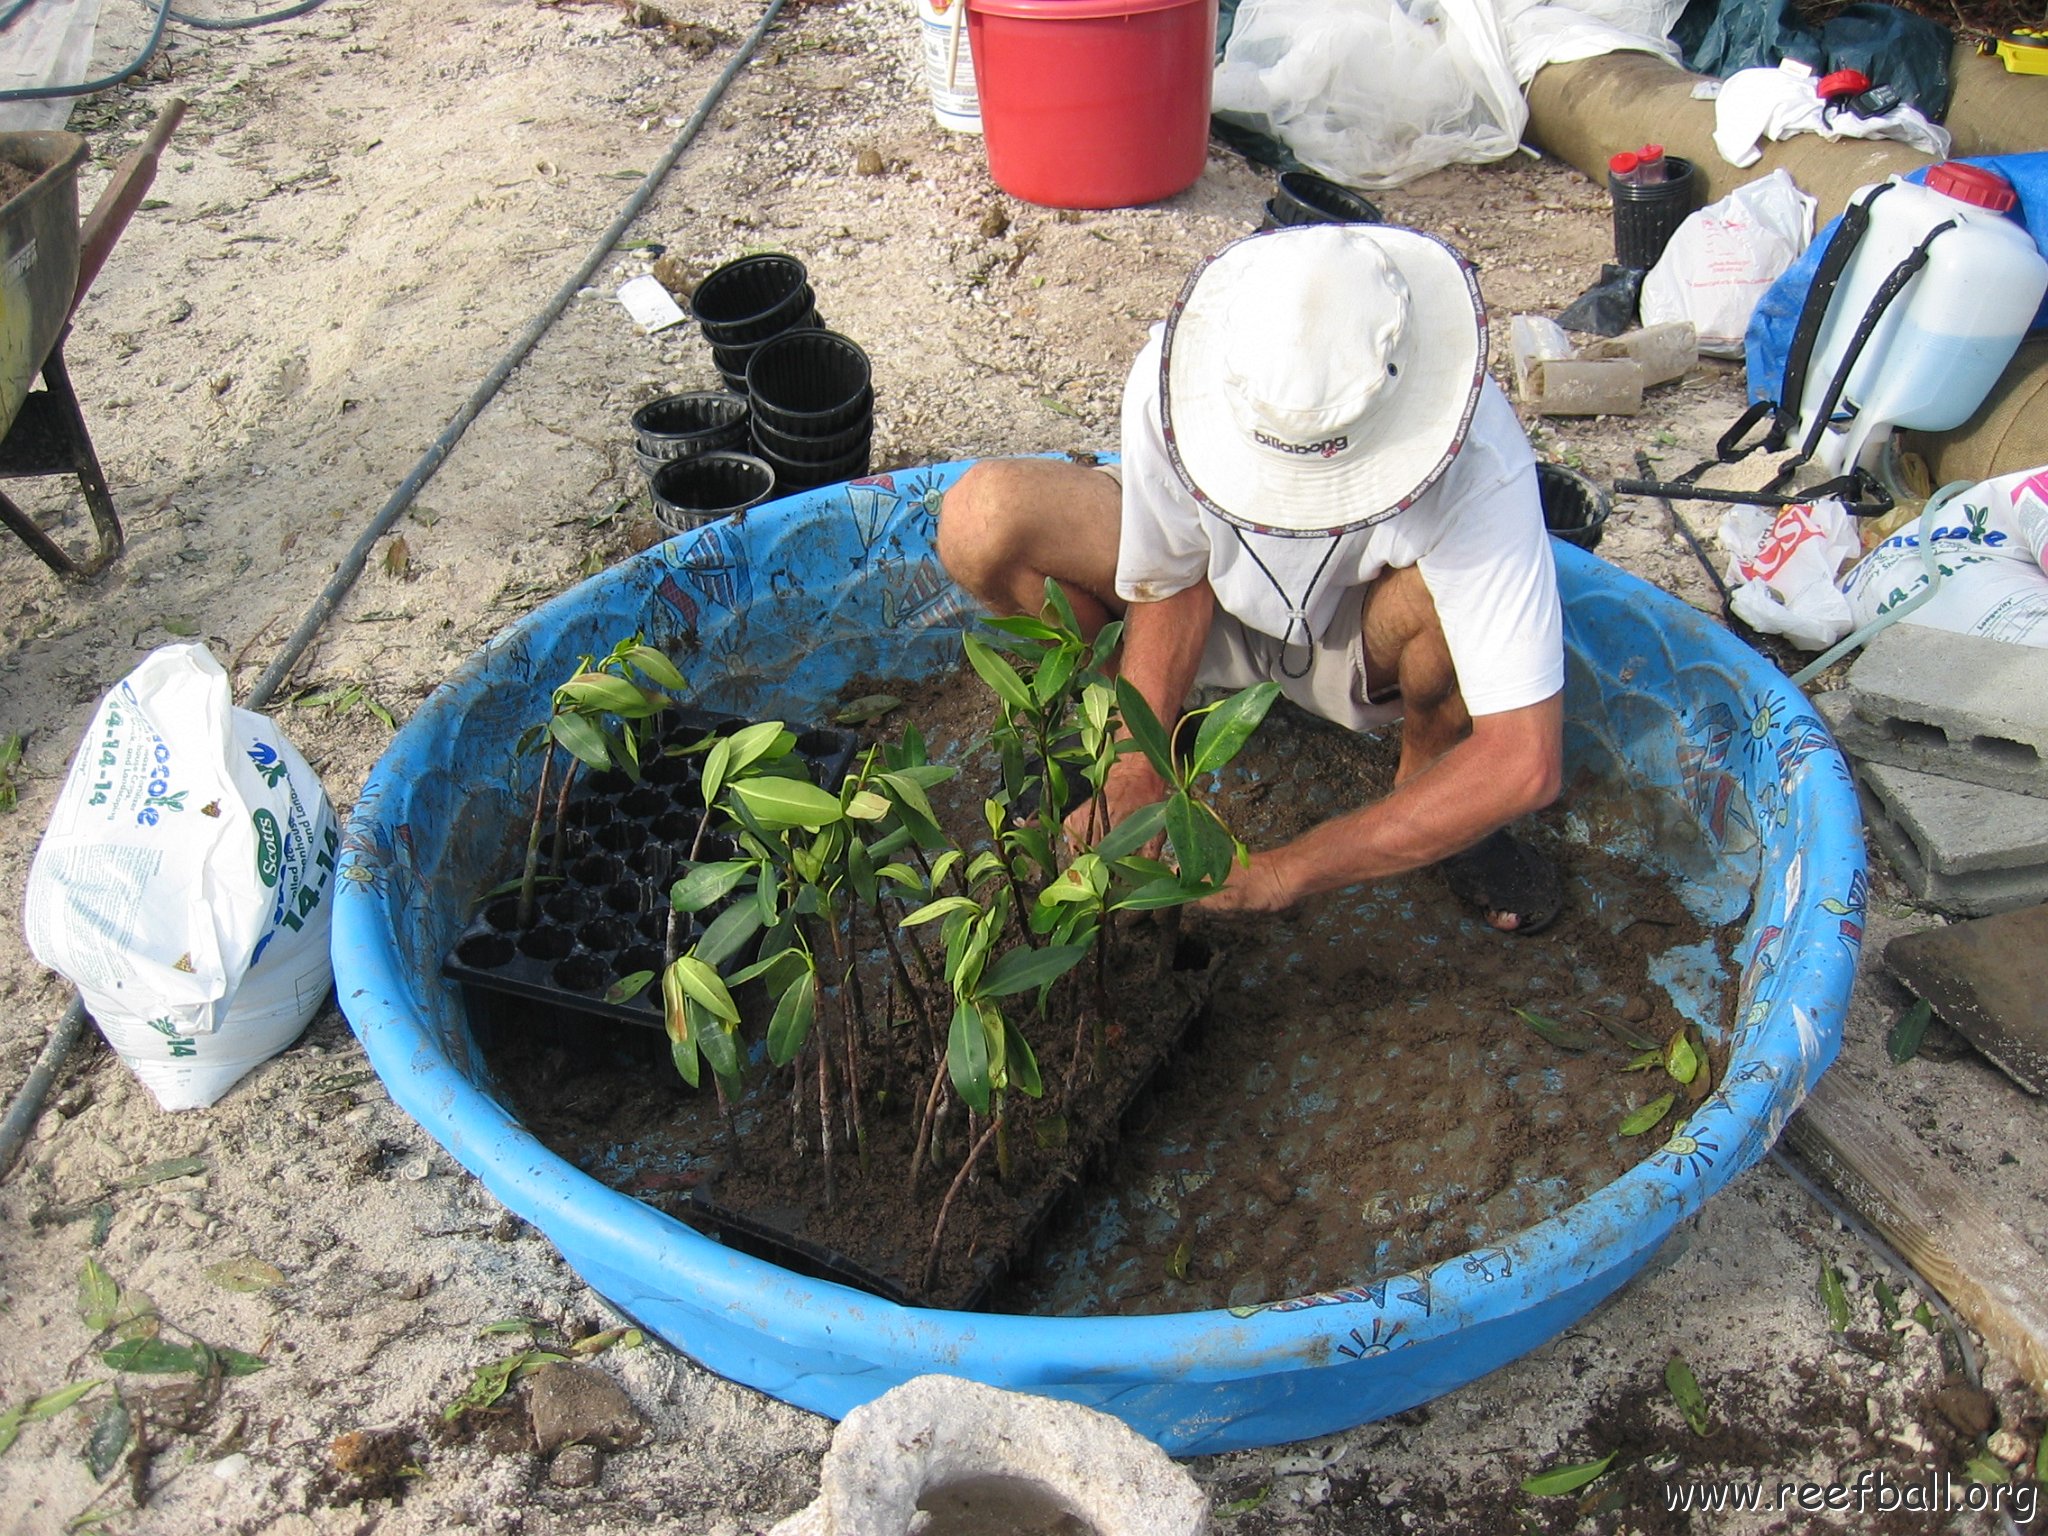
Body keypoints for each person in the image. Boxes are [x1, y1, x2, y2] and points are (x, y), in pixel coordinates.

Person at [936, 222, 1566, 932]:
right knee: (982, 518)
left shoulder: (1476, 448)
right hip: (1215, 602)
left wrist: (1281, 873)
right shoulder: (1178, 381)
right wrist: (1137, 756)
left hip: (1358, 637)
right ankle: (1146, 735)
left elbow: (1524, 757)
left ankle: (1433, 789)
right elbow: (1171, 574)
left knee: (1460, 616)